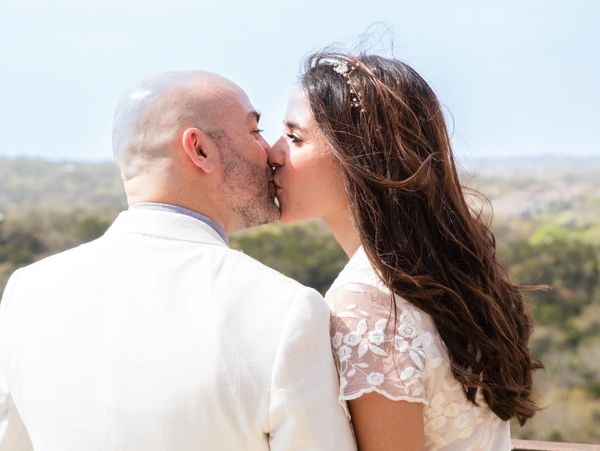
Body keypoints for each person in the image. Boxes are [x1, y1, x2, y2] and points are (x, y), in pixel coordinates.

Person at [0, 71, 356, 451]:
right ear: (199, 150)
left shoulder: (27, 292)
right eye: (255, 131)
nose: (270, 151)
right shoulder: (283, 310)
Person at [268, 51, 543, 450]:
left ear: (358, 155)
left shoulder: (368, 302)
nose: (274, 153)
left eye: (294, 137)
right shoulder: (450, 271)